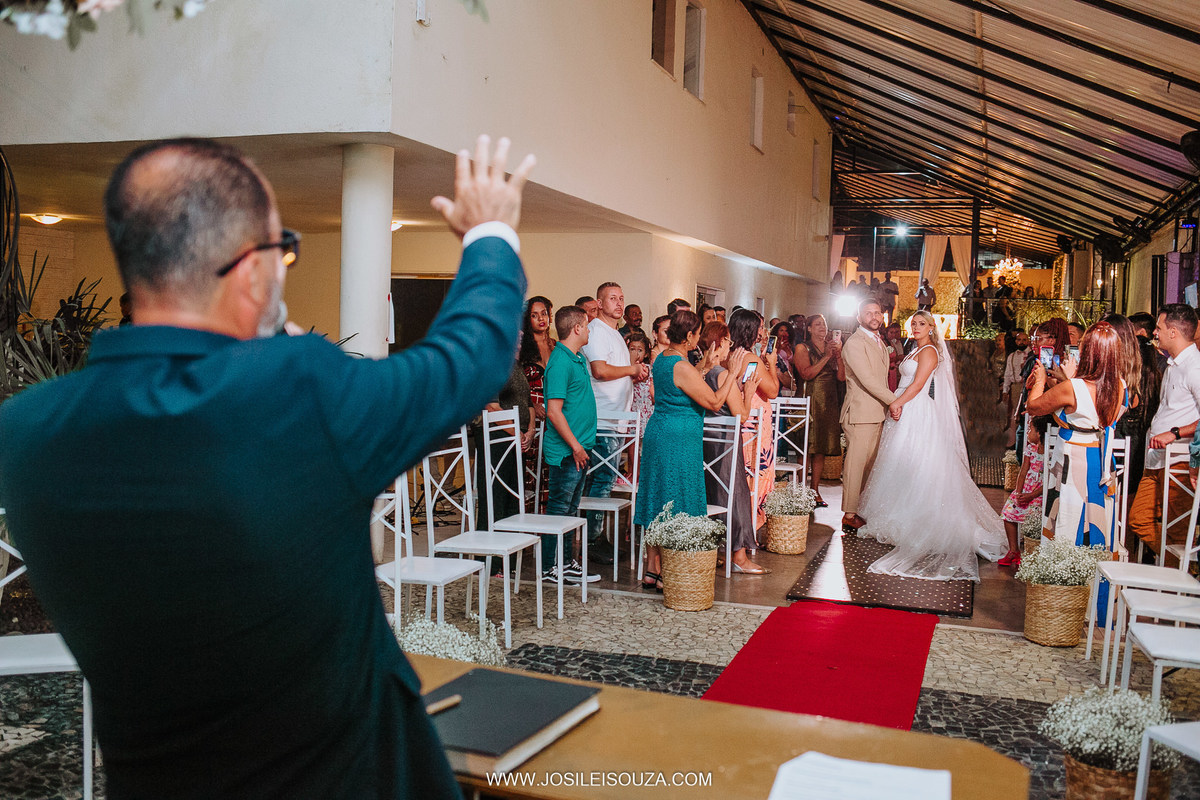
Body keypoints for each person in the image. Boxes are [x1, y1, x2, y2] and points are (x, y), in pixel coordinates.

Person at [0, 134, 535, 798]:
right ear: (255, 270)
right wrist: (490, 231)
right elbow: (468, 358)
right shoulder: (295, 391)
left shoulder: (27, 433)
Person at [857, 311, 1008, 579]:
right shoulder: (914, 350)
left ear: (931, 328)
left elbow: (917, 385)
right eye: (913, 324)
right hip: (905, 407)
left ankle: (923, 521)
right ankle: (900, 516)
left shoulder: (930, 352)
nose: (916, 327)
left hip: (916, 409)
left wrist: (896, 402)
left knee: (919, 461)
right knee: (900, 462)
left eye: (921, 324)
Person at [635, 310, 749, 589]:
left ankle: (652, 568)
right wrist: (732, 374)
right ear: (688, 336)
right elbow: (712, 402)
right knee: (676, 496)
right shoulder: (682, 365)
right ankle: (672, 569)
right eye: (697, 335)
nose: (698, 340)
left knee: (657, 496)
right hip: (678, 437)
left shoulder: (664, 358)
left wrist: (706, 367)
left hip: (659, 431)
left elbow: (681, 384)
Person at [1027, 322, 1127, 546]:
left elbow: (1033, 406)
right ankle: (1096, 573)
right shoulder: (1121, 385)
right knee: (1098, 516)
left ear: (1090, 351)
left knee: (1068, 518)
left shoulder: (1073, 387)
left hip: (1073, 459)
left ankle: (1064, 571)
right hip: (1101, 457)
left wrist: (1042, 379)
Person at [1126, 304, 1200, 565]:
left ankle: (1181, 575)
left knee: (1178, 530)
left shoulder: (1195, 367)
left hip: (1179, 462)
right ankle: (1185, 567)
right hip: (1157, 459)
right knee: (1138, 519)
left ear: (1173, 331)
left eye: (1158, 327)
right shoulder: (1173, 364)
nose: (1154, 332)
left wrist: (1176, 433)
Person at [581, 281, 649, 564]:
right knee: (602, 481)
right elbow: (599, 370)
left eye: (621, 298)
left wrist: (631, 374)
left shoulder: (616, 334)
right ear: (599, 303)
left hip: (615, 419)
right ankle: (592, 540)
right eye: (612, 298)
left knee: (602, 481)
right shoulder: (596, 331)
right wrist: (631, 368)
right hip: (604, 418)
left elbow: (614, 370)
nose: (619, 303)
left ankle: (596, 537)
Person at [698, 321, 767, 574]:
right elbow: (741, 415)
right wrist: (748, 391)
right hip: (726, 440)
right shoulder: (723, 375)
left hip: (705, 441)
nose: (730, 346)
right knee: (735, 493)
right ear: (719, 343)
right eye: (727, 341)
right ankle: (738, 555)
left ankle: (716, 549)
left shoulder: (700, 372)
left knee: (712, 494)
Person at [542, 305, 601, 584]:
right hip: (568, 451)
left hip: (580, 448)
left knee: (570, 510)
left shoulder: (577, 358)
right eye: (587, 325)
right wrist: (576, 446)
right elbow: (554, 411)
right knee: (558, 509)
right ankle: (547, 567)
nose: (589, 330)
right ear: (577, 328)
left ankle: (565, 563)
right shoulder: (561, 362)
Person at [838, 298, 898, 535]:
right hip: (860, 412)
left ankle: (859, 508)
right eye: (868, 313)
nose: (874, 316)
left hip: (876, 412)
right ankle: (849, 514)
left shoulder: (878, 340)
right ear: (858, 317)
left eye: (877, 312)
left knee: (869, 465)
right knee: (856, 464)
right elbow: (868, 379)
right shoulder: (854, 343)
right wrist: (894, 400)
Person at [729, 308, 779, 529]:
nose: (762, 331)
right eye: (759, 327)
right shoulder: (750, 359)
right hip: (754, 422)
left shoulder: (731, 356)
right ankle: (749, 524)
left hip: (740, 418)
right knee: (755, 474)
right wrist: (773, 364)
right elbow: (773, 390)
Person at [795, 314, 844, 508]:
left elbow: (841, 377)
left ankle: (815, 491)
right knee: (805, 446)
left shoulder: (831, 347)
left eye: (824, 324)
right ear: (808, 328)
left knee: (821, 448)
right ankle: (801, 490)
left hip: (829, 401)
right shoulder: (802, 348)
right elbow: (806, 373)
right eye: (817, 324)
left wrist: (838, 356)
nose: (822, 327)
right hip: (810, 399)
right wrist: (826, 357)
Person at [999, 414, 1049, 567]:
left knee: (1033, 520)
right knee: (1008, 513)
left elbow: (1047, 481)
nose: (1028, 433)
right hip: (1025, 490)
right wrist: (1018, 493)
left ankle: (1030, 554)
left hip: (1038, 494)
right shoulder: (1030, 448)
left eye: (1031, 430)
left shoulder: (1049, 452)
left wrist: (1031, 495)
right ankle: (1013, 550)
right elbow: (1023, 471)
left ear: (1039, 433)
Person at [518, 295, 555, 420]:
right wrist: (532, 405)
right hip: (530, 413)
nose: (540, 318)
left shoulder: (557, 347)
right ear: (527, 319)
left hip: (556, 409)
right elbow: (514, 385)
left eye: (544, 313)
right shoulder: (521, 348)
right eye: (534, 315)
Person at [625, 330, 654, 431]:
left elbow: (634, 378)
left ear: (646, 354)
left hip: (642, 409)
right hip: (630, 408)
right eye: (632, 349)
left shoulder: (645, 368)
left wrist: (632, 361)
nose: (635, 353)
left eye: (640, 350)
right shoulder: (624, 368)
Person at [769, 320, 794, 392]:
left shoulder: (789, 345)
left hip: (787, 374)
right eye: (781, 330)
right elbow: (773, 355)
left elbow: (792, 362)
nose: (784, 333)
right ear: (776, 331)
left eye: (786, 331)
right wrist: (780, 347)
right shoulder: (773, 344)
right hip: (778, 372)